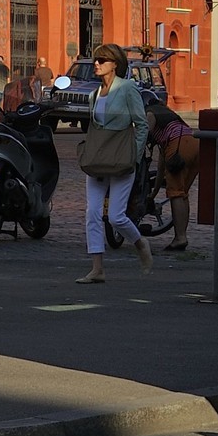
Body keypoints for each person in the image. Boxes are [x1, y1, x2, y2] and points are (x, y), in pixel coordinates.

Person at [78, 42, 152, 283]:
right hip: (98, 159)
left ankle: (140, 243)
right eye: (95, 60)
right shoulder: (94, 94)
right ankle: (97, 268)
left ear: (115, 64)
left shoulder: (127, 88)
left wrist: (135, 156)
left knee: (116, 216)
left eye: (102, 60)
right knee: (92, 212)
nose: (96, 64)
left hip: (121, 159)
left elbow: (141, 125)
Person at [146, 88, 199, 253]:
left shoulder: (150, 113)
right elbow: (162, 164)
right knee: (182, 193)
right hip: (195, 143)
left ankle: (180, 238)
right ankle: (182, 235)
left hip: (178, 146)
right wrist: (154, 193)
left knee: (175, 193)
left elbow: (143, 135)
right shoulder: (170, 115)